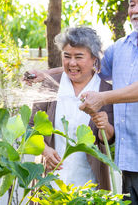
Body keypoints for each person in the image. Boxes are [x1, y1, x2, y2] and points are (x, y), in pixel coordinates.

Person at [27, 0, 138, 204]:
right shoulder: (122, 46)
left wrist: (101, 98)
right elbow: (89, 64)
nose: (134, 10)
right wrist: (46, 74)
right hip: (129, 160)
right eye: (131, 4)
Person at [28, 27, 115, 190]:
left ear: (94, 59)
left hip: (88, 186)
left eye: (79, 57)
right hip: (49, 183)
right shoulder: (51, 84)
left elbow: (108, 139)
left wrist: (105, 125)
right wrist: (44, 149)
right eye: (67, 56)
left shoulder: (105, 91)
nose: (72, 63)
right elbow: (30, 128)